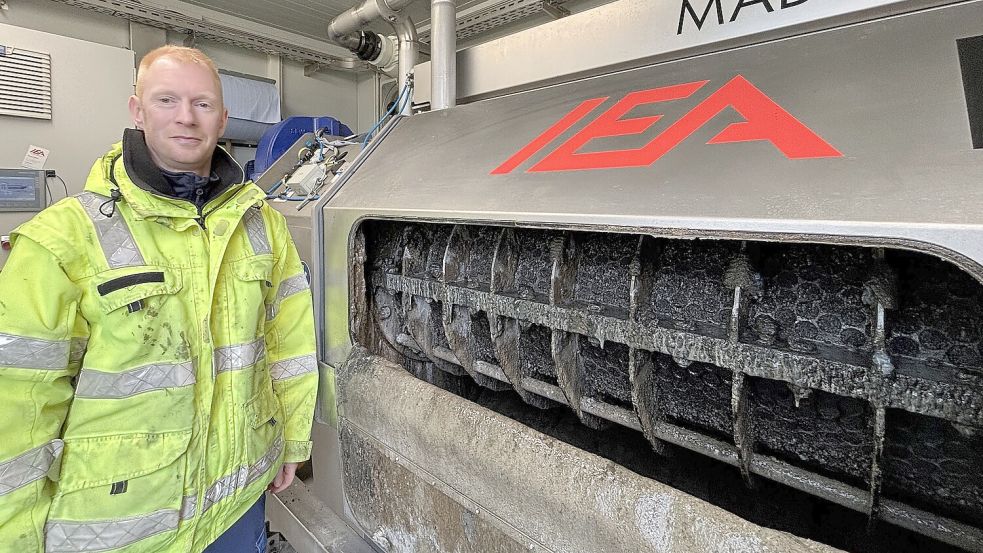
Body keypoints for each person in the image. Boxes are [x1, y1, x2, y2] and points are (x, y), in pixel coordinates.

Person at [0, 46, 318, 553]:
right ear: (137, 110)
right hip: (118, 525)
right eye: (167, 99)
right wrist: (15, 536)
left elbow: (290, 344)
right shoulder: (62, 239)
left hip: (235, 505)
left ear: (223, 119)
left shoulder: (262, 223)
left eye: (203, 104)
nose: (187, 117)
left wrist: (294, 441)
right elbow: (19, 401)